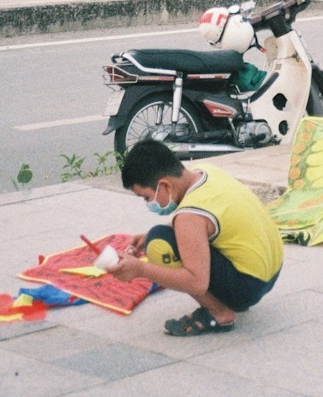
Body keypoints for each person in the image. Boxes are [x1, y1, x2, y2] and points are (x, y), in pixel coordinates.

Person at [109, 140, 282, 337]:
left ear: (165, 185)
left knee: (159, 243)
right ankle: (228, 299)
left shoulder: (189, 217)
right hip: (270, 273)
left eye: (147, 197)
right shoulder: (205, 171)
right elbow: (204, 221)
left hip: (247, 288)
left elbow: (196, 282)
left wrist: (141, 269)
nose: (149, 203)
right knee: (157, 236)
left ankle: (219, 313)